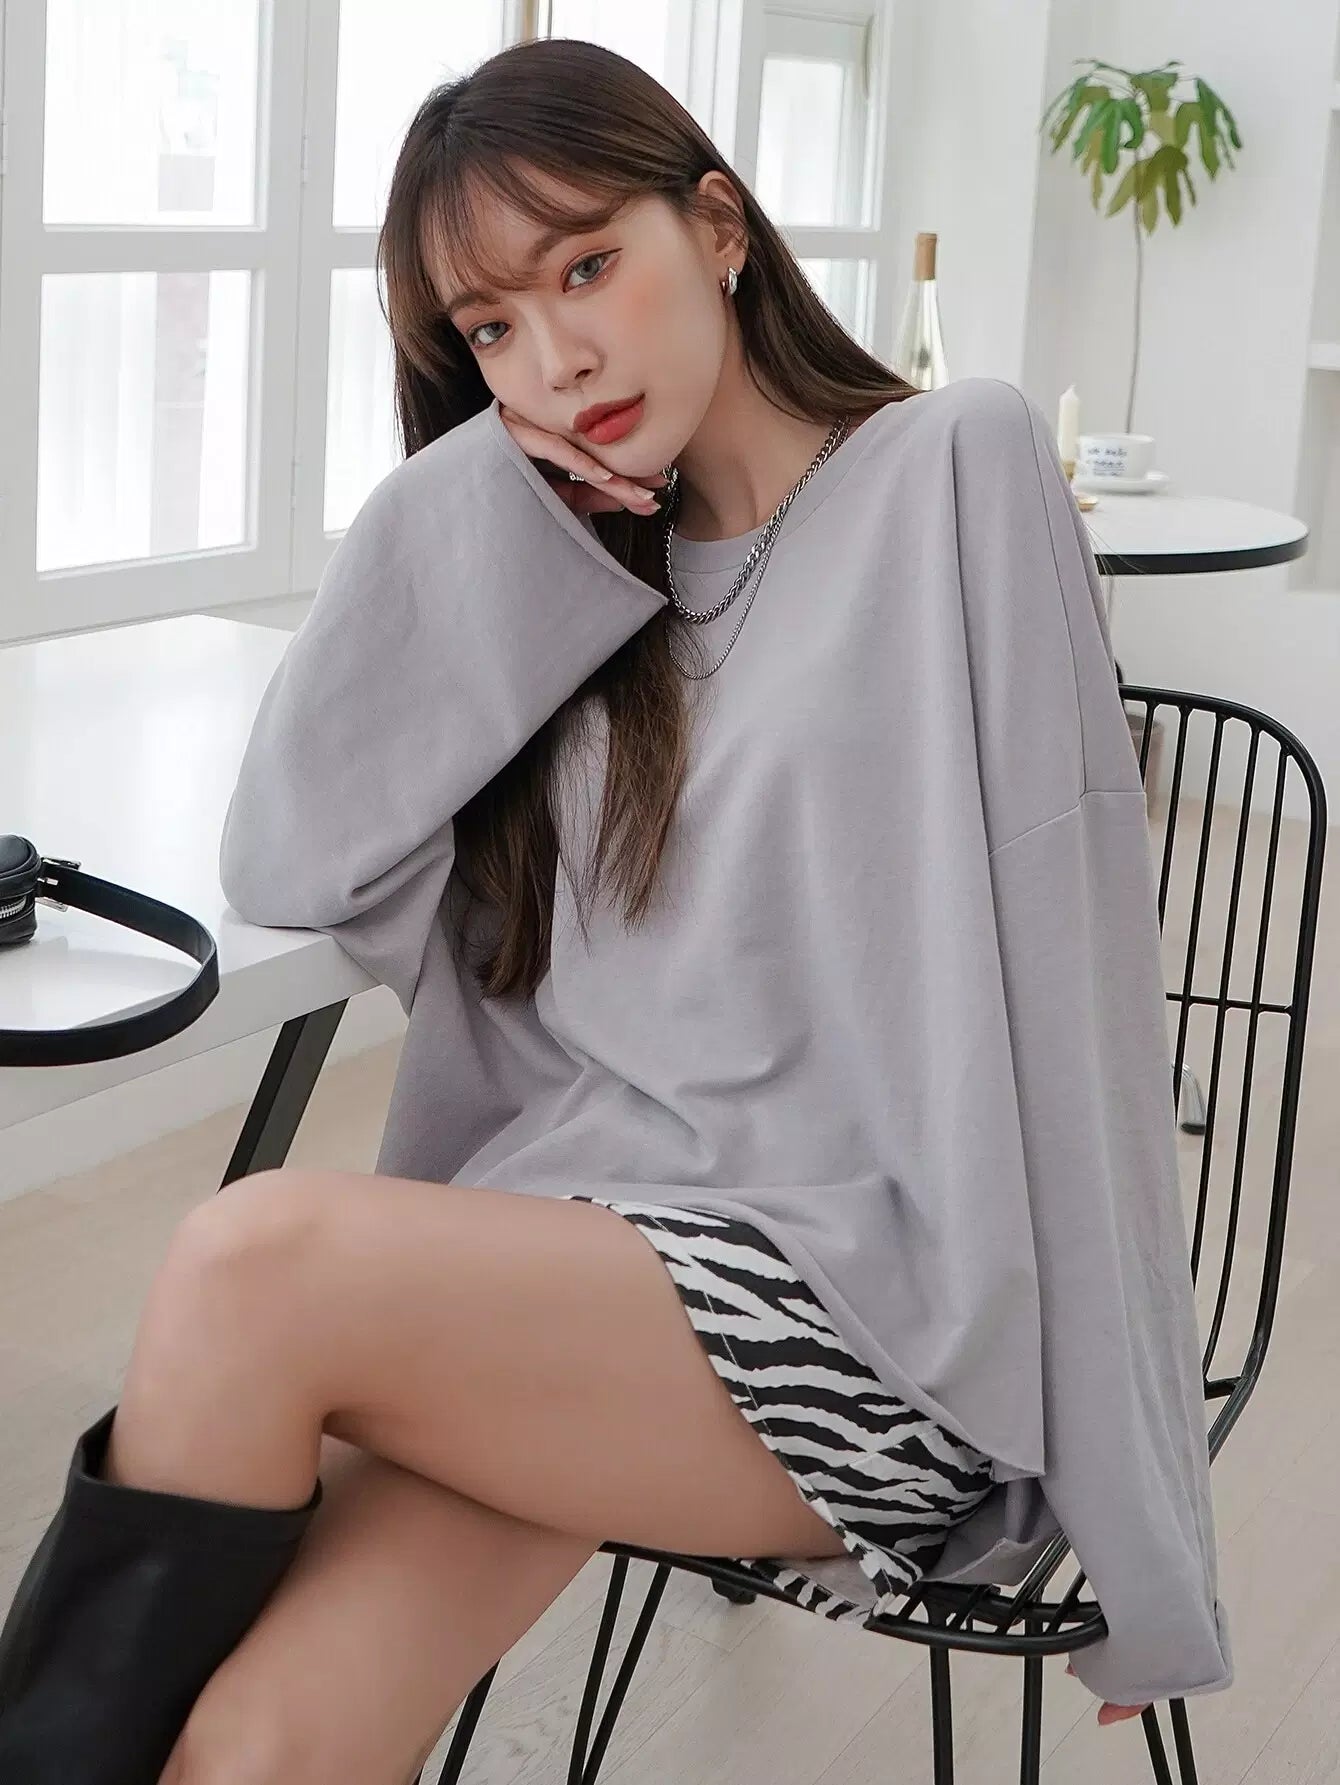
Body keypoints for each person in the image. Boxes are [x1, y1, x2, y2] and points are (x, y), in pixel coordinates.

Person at [0, 37, 1229, 1785]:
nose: (556, 358)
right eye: (491, 330)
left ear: (718, 226)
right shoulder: (559, 570)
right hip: (582, 1275)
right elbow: (289, 860)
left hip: (865, 1323)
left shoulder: (954, 468)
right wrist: (483, 496)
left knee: (251, 1259)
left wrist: (1146, 1527)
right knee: (262, 1741)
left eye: (586, 267)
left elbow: (1077, 992)